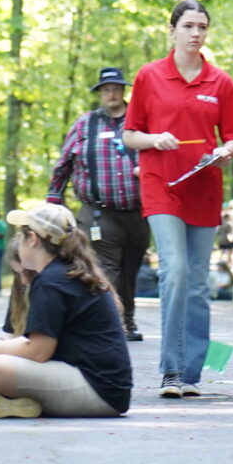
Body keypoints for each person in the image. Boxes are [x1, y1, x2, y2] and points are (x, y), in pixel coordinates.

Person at [123, 0, 233, 398]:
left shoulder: (220, 82)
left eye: (202, 27)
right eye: (189, 26)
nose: (196, 33)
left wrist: (226, 152)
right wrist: (155, 139)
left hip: (203, 188)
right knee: (174, 270)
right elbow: (129, 135)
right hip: (161, 185)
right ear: (172, 30)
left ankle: (192, 373)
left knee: (196, 283)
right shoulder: (149, 76)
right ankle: (170, 370)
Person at [0, 204, 132, 418]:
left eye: (21, 237)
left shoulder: (52, 280)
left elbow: (39, 350)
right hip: (89, 381)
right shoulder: (63, 273)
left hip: (98, 391)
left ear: (32, 239)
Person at [47, 67, 145, 340]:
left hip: (138, 211)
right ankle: (111, 322)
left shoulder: (141, 121)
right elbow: (63, 164)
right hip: (98, 212)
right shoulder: (84, 124)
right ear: (100, 93)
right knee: (105, 266)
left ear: (123, 90)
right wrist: (54, 200)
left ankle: (127, 319)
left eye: (115, 88)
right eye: (105, 89)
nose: (111, 93)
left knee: (130, 268)